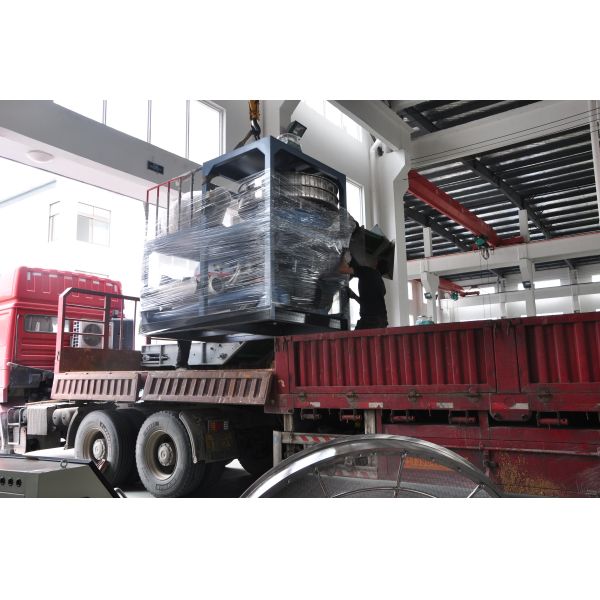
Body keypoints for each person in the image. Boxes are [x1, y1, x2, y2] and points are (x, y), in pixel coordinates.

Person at [339, 254, 388, 330]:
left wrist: (344, 256)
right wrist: (354, 296)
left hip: (370, 321)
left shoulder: (367, 271)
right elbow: (368, 304)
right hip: (382, 322)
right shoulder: (381, 283)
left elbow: (342, 269)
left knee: (355, 337)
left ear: (376, 263)